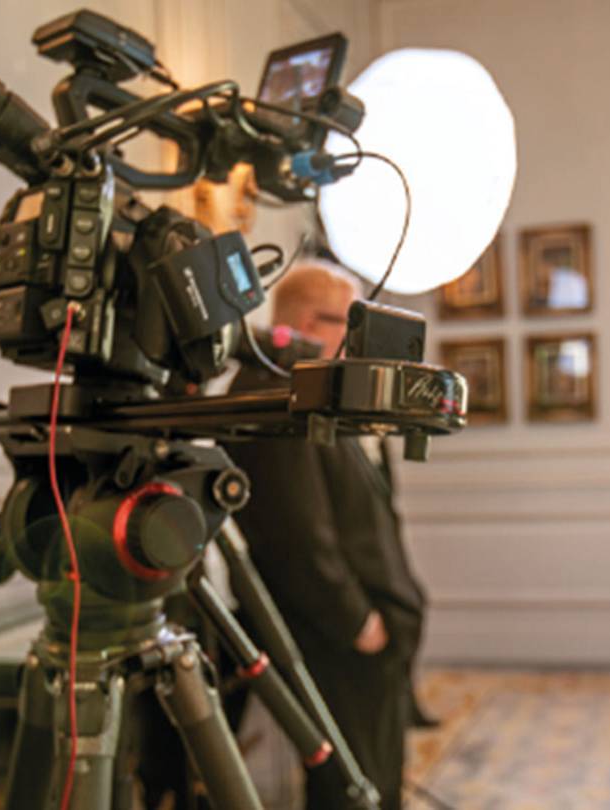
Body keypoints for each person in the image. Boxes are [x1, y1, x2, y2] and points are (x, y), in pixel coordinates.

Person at [224, 260, 427, 810]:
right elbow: (296, 534)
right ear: (314, 322)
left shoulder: (319, 389)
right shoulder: (277, 392)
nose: (362, 345)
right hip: (338, 634)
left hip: (369, 630)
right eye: (352, 327)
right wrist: (357, 619)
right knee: (350, 787)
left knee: (377, 776)